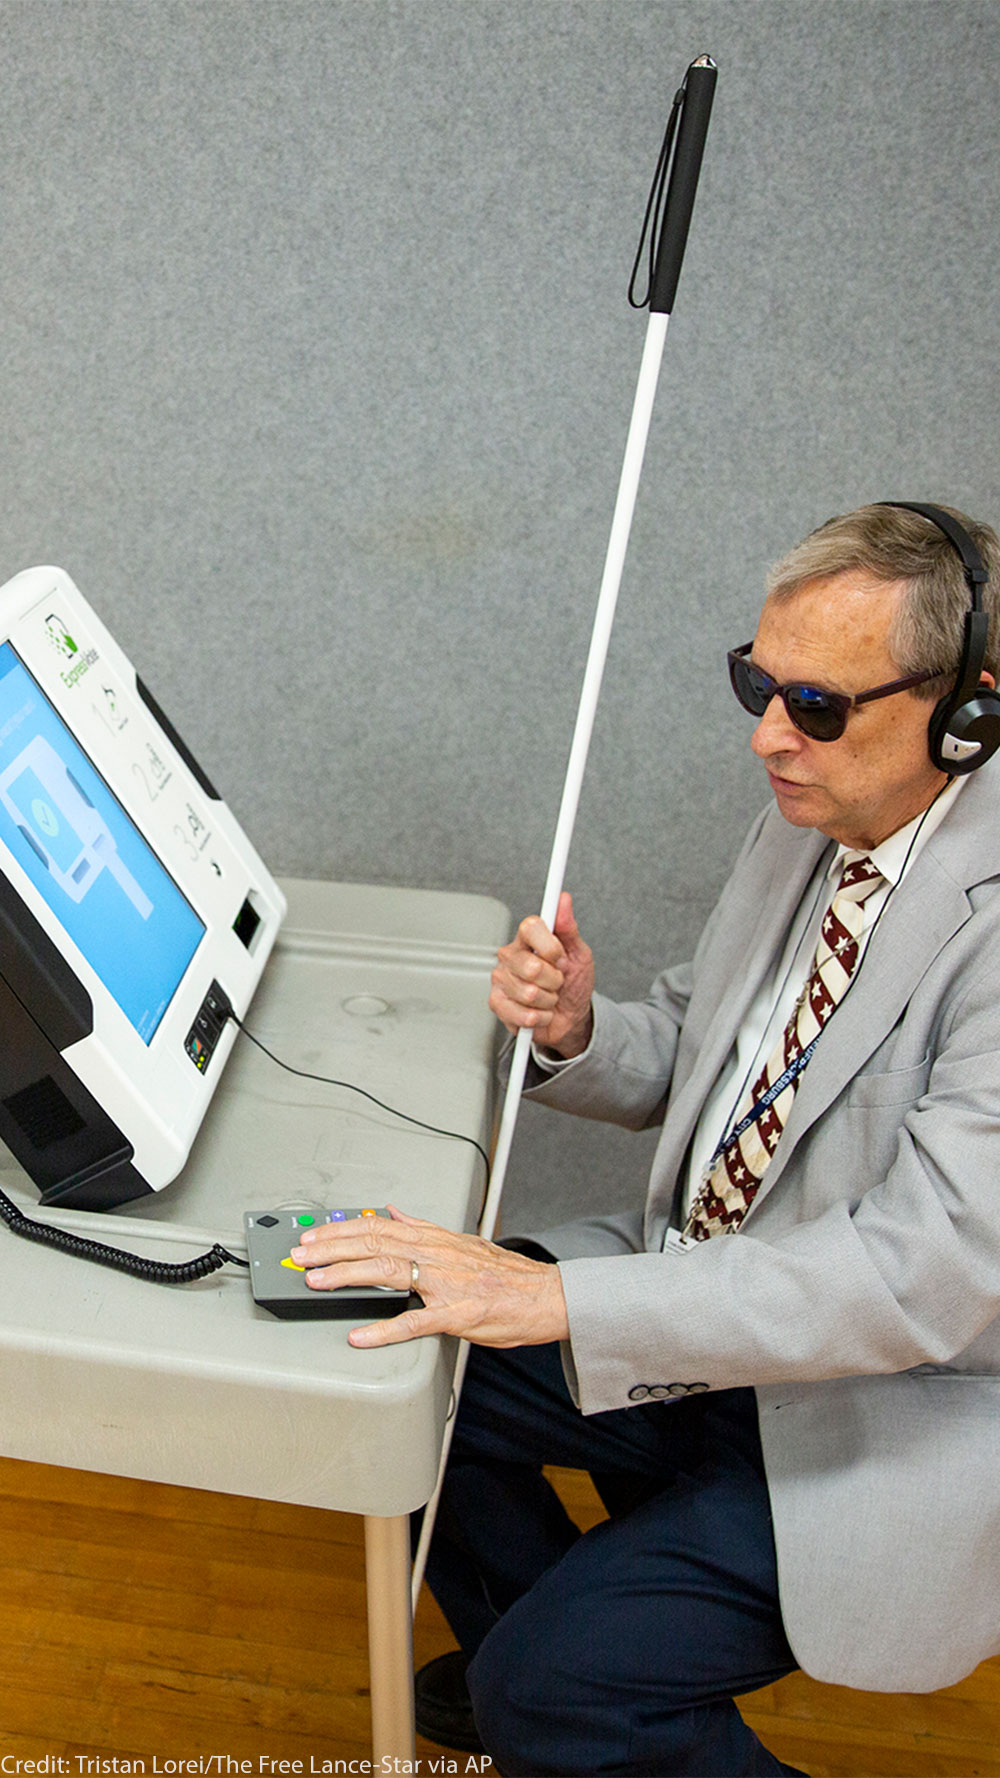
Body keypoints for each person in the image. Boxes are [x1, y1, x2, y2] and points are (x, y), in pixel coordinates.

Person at [291, 502, 1000, 1777]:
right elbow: (706, 1042)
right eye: (756, 681)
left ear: (970, 711)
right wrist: (574, 1027)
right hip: (707, 1318)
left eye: (818, 705)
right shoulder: (822, 813)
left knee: (555, 1694)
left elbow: (919, 1274)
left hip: (876, 1400)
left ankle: (563, 1693)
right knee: (381, 1364)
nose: (767, 733)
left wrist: (558, 1294)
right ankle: (555, 1665)